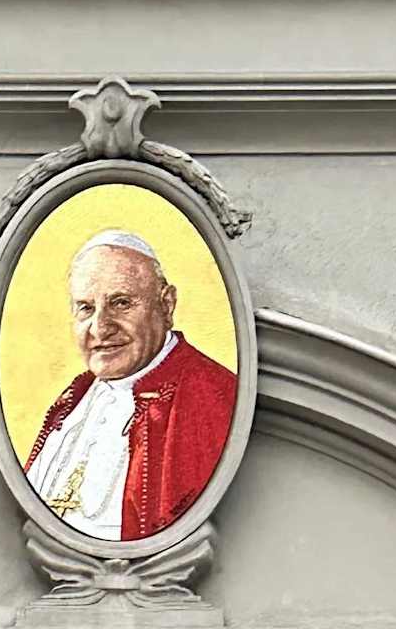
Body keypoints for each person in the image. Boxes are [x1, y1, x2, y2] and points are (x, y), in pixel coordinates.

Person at [24, 230, 237, 541]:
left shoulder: (213, 396)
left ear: (166, 305)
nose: (100, 327)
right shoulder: (75, 398)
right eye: (85, 308)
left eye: (121, 303)